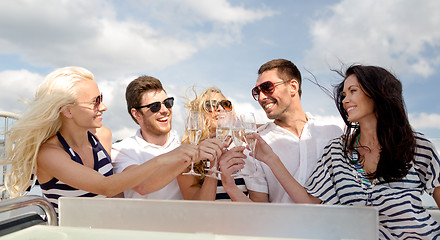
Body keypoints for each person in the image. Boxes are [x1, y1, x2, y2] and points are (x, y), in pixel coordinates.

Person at [252, 65, 440, 238]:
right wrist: (272, 160)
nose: (345, 100)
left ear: (377, 93)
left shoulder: (416, 146)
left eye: (353, 91)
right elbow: (309, 202)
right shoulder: (337, 151)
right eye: (343, 94)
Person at [1, 67, 198, 213]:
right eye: (95, 101)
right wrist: (167, 158)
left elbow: (116, 195)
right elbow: (107, 186)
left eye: (101, 98)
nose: (103, 107)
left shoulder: (103, 136)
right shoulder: (49, 155)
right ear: (67, 110)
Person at [222, 59, 343, 202]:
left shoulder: (333, 133)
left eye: (267, 87)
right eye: (257, 92)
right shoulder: (255, 144)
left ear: (293, 87)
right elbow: (260, 209)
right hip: (279, 224)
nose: (261, 97)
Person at [111, 77, 222, 200]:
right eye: (155, 106)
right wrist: (180, 156)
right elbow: (142, 186)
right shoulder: (122, 149)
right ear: (137, 114)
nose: (165, 110)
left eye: (168, 103)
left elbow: (198, 199)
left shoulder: (188, 142)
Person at [177, 87, 247, 201]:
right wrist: (215, 163)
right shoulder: (189, 157)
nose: (219, 108)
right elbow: (199, 207)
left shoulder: (245, 149)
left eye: (225, 104)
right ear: (200, 113)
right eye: (210, 105)